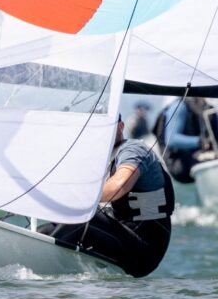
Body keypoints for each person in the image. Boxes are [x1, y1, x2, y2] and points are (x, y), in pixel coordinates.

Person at [39, 115, 174, 278]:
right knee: (47, 230)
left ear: (121, 127)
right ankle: (27, 262)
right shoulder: (99, 159)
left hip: (144, 249)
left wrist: (78, 197)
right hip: (120, 238)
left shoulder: (133, 150)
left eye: (110, 125)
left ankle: (40, 266)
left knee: (84, 215)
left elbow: (119, 186)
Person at [152, 97, 216, 183]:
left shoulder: (208, 108)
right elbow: (172, 139)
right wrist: (201, 142)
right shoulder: (180, 107)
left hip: (198, 158)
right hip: (179, 164)